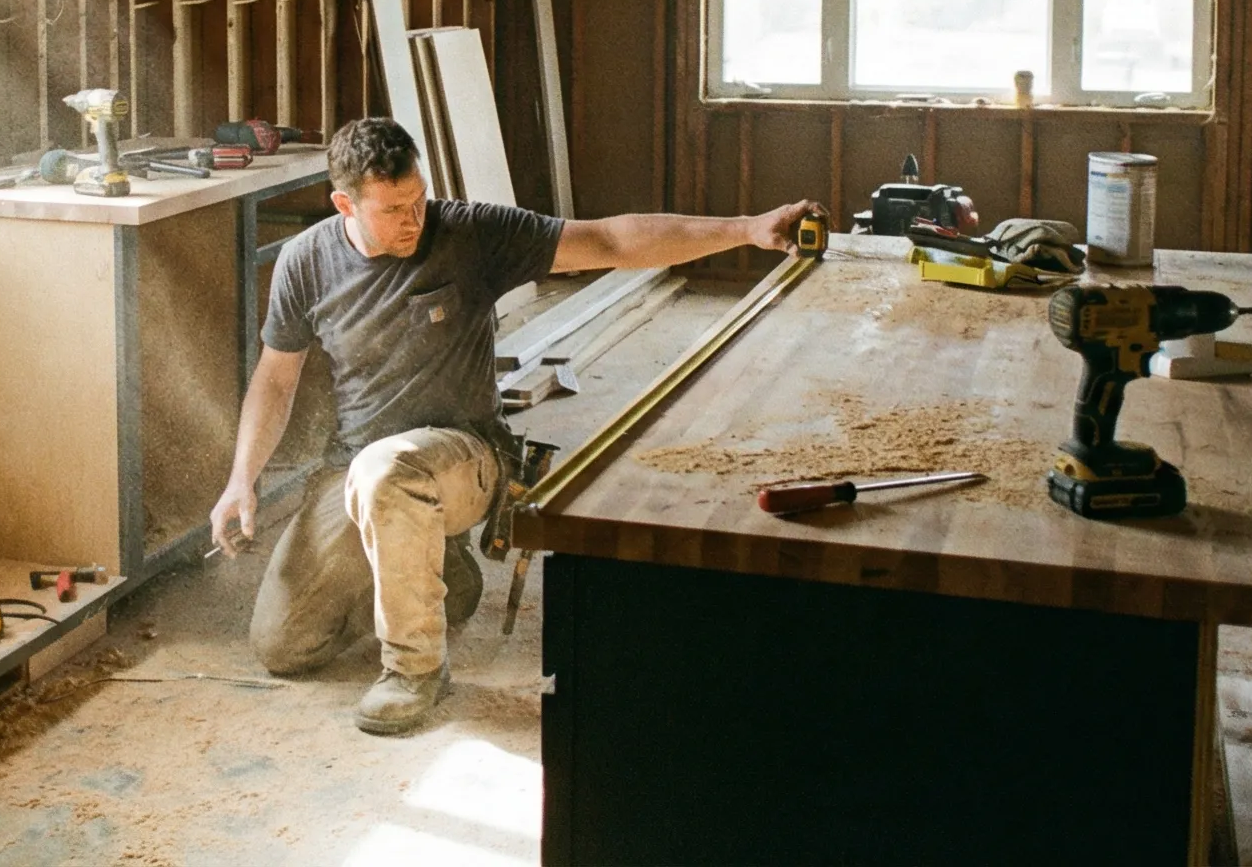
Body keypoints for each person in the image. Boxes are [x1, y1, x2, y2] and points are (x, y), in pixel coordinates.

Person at [208, 116, 822, 734]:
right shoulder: (304, 262)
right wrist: (242, 480)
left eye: (419, 199)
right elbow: (275, 379)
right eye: (394, 209)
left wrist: (747, 229)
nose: (414, 219)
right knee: (284, 647)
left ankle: (414, 669)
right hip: (356, 469)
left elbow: (611, 241)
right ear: (344, 203)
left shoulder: (471, 234)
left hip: (466, 458)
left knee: (385, 471)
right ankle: (438, 568)